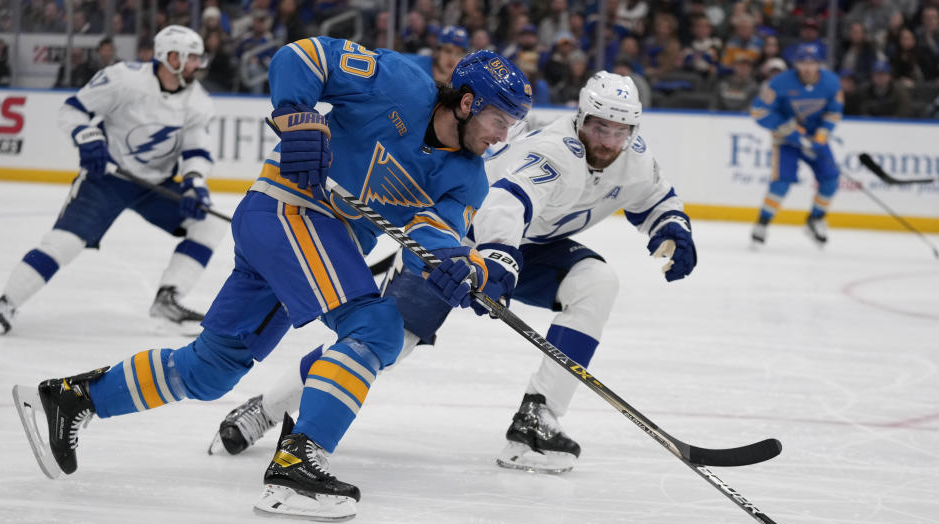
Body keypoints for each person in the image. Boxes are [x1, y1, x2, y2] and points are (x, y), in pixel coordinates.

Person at [13, 41, 532, 522]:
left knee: (210, 370)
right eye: (498, 119)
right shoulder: (399, 80)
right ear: (466, 103)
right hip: (285, 211)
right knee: (377, 331)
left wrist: (466, 271)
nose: (502, 135)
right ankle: (298, 465)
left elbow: (433, 239)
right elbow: (300, 57)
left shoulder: (468, 179)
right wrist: (300, 117)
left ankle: (73, 398)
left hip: (310, 235)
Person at [213, 71, 697, 476]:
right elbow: (504, 205)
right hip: (456, 240)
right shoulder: (554, 152)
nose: (607, 141)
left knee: (596, 283)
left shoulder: (634, 158)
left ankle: (537, 419)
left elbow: (655, 196)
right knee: (387, 341)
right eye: (598, 128)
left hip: (532, 250)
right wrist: (500, 259)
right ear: (581, 118)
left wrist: (672, 228)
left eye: (618, 131)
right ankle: (266, 409)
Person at [0, 26, 223, 336]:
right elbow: (74, 111)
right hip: (107, 179)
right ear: (170, 56)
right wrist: (89, 138)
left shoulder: (198, 101)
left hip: (156, 185)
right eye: (191, 58)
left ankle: (168, 299)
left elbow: (197, 148)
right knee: (65, 242)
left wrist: (195, 182)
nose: (196, 65)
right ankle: (3, 305)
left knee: (208, 224)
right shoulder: (124, 78)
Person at [749, 42, 843, 247]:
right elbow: (758, 111)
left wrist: (821, 135)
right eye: (803, 62)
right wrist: (788, 130)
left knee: (831, 179)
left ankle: (815, 219)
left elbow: (834, 112)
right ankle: (762, 223)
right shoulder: (779, 83)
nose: (808, 67)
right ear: (796, 64)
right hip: (786, 141)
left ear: (819, 64)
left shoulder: (832, 83)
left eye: (813, 63)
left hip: (816, 141)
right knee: (781, 181)